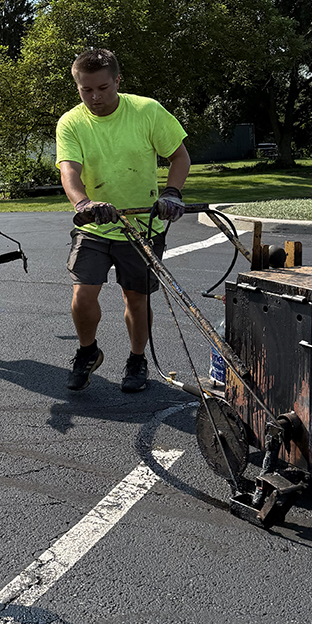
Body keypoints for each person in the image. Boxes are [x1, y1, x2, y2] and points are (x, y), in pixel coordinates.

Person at [56, 47, 190, 393]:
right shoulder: (71, 122)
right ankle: (88, 351)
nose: (95, 97)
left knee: (136, 298)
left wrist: (172, 193)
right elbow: (69, 171)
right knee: (83, 293)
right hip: (95, 224)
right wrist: (83, 203)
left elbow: (179, 156)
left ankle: (136, 359)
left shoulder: (147, 111)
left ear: (117, 81)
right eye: (86, 90)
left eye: (103, 88)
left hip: (143, 226)